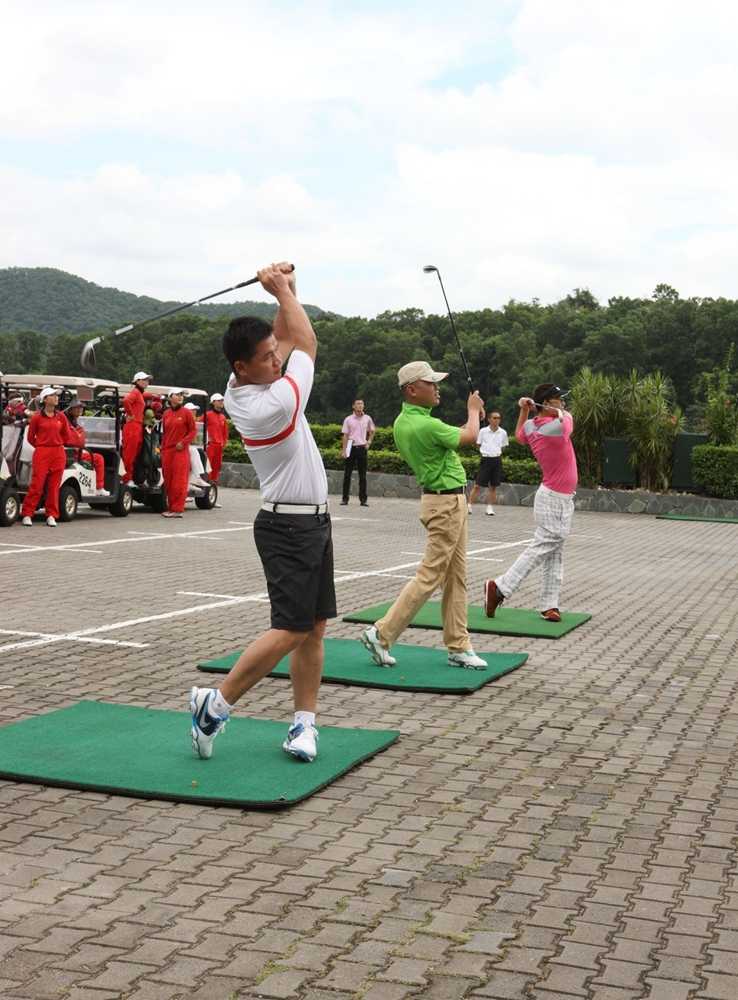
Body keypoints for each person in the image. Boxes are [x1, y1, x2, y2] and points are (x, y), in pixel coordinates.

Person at [190, 262, 334, 765]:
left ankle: (303, 723)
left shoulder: (257, 376)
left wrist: (286, 290)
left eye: (277, 354)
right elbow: (308, 340)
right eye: (268, 357)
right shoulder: (266, 403)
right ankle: (216, 704)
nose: (278, 359)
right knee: (291, 628)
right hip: (286, 525)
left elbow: (288, 333)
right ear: (241, 369)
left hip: (314, 520)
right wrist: (282, 290)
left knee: (314, 626)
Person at [360, 360, 488, 670]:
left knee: (456, 578)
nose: (437, 386)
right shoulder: (425, 424)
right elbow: (470, 436)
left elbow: (458, 433)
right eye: (430, 382)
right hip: (445, 505)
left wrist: (473, 418)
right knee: (431, 575)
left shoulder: (407, 421)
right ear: (412, 390)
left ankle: (458, 645)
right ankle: (382, 632)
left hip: (446, 503)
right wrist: (473, 410)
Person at [484, 384, 577, 624]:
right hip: (552, 497)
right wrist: (551, 411)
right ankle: (500, 587)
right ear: (547, 403)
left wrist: (524, 410)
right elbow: (568, 422)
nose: (563, 404)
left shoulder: (532, 425)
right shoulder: (553, 426)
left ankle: (549, 605)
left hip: (561, 497)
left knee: (555, 551)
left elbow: (519, 436)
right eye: (558, 400)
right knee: (549, 542)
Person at [20, 387, 74, 527]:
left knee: (54, 486)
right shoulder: (37, 417)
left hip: (58, 453)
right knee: (37, 485)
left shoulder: (61, 416)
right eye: (52, 395)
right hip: (42, 452)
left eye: (56, 395)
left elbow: (66, 436)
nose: (56, 397)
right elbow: (31, 437)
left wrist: (56, 443)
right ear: (45, 399)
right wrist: (42, 445)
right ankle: (27, 513)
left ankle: (51, 515)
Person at [160, 389, 197, 518]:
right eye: (178, 395)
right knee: (168, 479)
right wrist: (162, 449)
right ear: (170, 397)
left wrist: (184, 442)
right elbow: (164, 433)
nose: (181, 397)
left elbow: (193, 431)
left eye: (182, 395)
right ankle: (171, 507)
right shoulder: (166, 414)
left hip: (180, 451)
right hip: (167, 451)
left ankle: (178, 509)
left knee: (179, 480)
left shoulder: (186, 413)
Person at [64, 399, 110, 496]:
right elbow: (72, 440)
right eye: (77, 408)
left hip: (75, 451)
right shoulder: (68, 422)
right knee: (99, 459)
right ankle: (99, 488)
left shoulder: (73, 421)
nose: (80, 410)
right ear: (71, 409)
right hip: (73, 453)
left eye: (80, 407)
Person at [468, 410, 509, 515]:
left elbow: (504, 446)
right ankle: (469, 505)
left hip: (497, 460)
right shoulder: (483, 431)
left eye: (498, 418)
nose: (497, 420)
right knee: (477, 485)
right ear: (489, 419)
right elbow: (478, 444)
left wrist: (495, 452)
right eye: (494, 418)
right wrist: (486, 451)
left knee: (493, 486)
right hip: (485, 459)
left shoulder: (503, 432)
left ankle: (489, 508)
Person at [340, 399, 375, 506]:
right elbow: (345, 435)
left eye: (361, 404)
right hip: (351, 446)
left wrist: (368, 442)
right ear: (353, 406)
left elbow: (372, 430)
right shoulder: (348, 419)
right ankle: (345, 499)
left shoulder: (367, 418)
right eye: (358, 404)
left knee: (362, 476)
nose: (360, 406)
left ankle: (363, 500)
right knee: (347, 475)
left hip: (362, 447)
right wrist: (344, 450)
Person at [122, 371, 152, 486]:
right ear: (137, 381)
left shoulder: (139, 393)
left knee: (134, 454)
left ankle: (129, 478)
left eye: (147, 380)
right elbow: (126, 401)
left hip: (137, 426)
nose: (146, 382)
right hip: (133, 426)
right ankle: (126, 479)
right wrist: (130, 414)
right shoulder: (135, 392)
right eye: (144, 380)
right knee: (129, 454)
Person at [183, 402, 212, 490]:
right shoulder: (183, 421)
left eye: (195, 410)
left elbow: (202, 438)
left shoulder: (196, 423)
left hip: (191, 445)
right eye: (192, 410)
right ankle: (197, 478)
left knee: (203, 455)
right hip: (181, 446)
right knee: (195, 452)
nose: (194, 412)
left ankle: (193, 480)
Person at [204, 392, 228, 490]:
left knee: (216, 469)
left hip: (219, 446)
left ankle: (212, 494)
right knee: (208, 468)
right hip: (210, 446)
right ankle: (206, 492)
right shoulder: (207, 415)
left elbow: (225, 433)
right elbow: (199, 428)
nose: (221, 402)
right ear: (213, 402)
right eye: (219, 400)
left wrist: (224, 443)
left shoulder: (223, 417)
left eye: (222, 400)